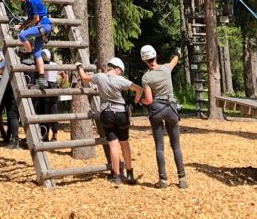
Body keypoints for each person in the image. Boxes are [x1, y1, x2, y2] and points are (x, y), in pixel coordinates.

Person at [75, 57, 145, 186]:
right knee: (124, 143)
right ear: (118, 70)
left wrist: (79, 66)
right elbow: (140, 89)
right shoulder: (121, 80)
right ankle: (129, 174)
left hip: (106, 114)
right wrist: (134, 103)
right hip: (120, 113)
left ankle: (116, 175)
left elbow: (84, 77)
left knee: (113, 144)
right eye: (121, 71)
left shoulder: (99, 77)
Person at [139, 45, 187, 189]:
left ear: (144, 60)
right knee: (176, 146)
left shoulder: (146, 77)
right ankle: (182, 179)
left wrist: (141, 101)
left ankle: (163, 180)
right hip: (171, 109)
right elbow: (175, 60)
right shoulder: (166, 68)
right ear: (156, 55)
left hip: (156, 111)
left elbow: (149, 100)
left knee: (160, 147)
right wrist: (178, 52)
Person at [14, 0, 51, 87]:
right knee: (37, 53)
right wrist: (22, 25)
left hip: (43, 26)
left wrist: (25, 27)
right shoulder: (29, 2)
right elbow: (30, 18)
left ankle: (29, 54)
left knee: (22, 35)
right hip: (44, 26)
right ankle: (42, 78)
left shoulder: (32, 0)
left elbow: (36, 19)